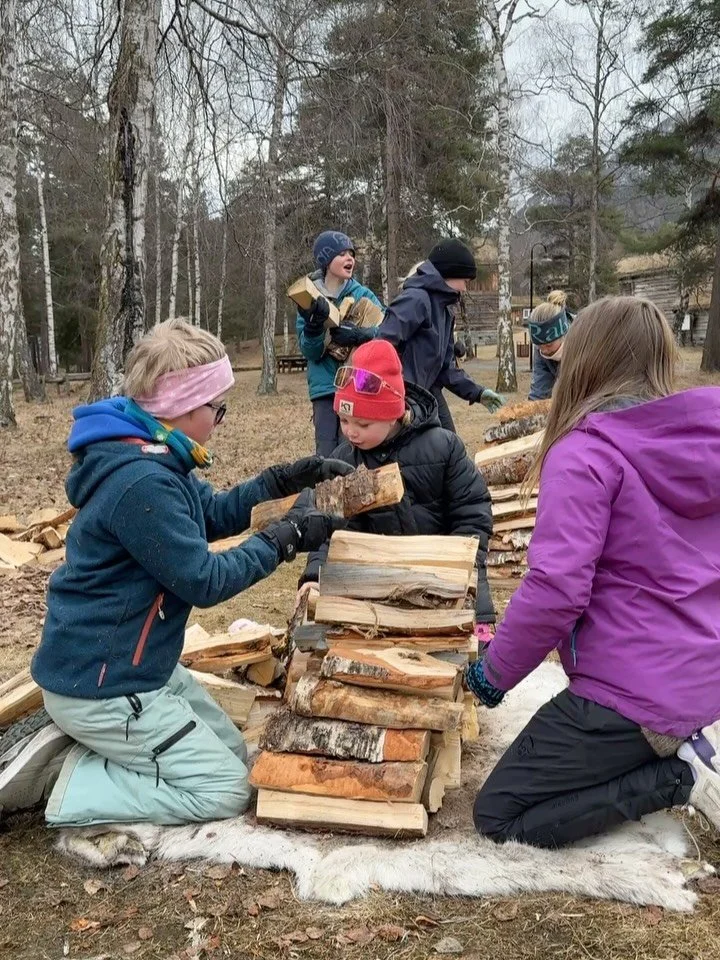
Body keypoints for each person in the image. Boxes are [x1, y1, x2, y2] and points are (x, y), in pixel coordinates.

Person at [0, 320, 352, 827]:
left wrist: (284, 479)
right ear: (183, 406)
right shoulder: (141, 482)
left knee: (236, 755)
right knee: (226, 790)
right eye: (216, 408)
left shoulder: (155, 454)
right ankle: (65, 784)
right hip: (104, 684)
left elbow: (212, 514)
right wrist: (286, 538)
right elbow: (203, 580)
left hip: (138, 668)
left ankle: (112, 757)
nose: (220, 419)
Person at [465, 296, 720, 848]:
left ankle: (681, 779)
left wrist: (493, 674)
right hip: (703, 678)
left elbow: (555, 591)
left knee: (499, 815)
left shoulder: (584, 453)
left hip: (633, 695)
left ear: (583, 358)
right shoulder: (703, 443)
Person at [295, 339, 496, 638]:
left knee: (471, 643)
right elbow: (327, 530)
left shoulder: (443, 448)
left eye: (362, 424)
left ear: (392, 415)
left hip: (444, 578)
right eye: (344, 420)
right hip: (376, 586)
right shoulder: (343, 460)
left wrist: (463, 567)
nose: (350, 432)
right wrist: (315, 575)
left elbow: (473, 513)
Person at [377, 239, 505, 433]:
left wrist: (477, 392)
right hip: (404, 396)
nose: (465, 289)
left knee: (451, 446)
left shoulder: (445, 311)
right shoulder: (416, 300)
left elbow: (446, 368)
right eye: (465, 281)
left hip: (428, 392)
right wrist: (396, 393)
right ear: (450, 273)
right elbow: (381, 346)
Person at [296, 230, 384, 457]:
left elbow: (388, 332)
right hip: (324, 389)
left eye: (351, 254)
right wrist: (314, 328)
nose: (350, 258)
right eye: (342, 254)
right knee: (325, 453)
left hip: (357, 384)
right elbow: (310, 352)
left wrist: (360, 334)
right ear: (326, 259)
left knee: (353, 450)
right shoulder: (308, 297)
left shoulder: (363, 294)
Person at [527, 290, 572, 401]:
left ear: (563, 335)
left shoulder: (583, 341)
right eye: (539, 345)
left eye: (549, 345)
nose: (544, 351)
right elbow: (539, 390)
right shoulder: (540, 349)